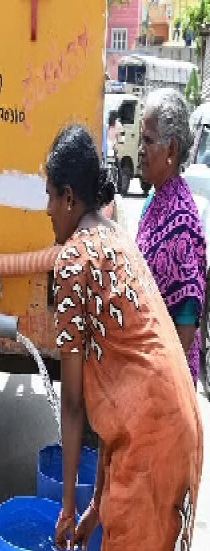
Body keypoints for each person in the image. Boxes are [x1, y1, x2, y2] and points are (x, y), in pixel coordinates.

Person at [46, 125, 202, 551]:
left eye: (47, 197)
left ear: (69, 193)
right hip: (168, 430)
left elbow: (76, 404)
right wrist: (91, 507)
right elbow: (125, 383)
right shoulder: (113, 239)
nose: (45, 211)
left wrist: (61, 504)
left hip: (155, 444)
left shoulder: (77, 260)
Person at [137, 88, 207, 385]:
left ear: (171, 150)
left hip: (166, 389)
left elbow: (186, 327)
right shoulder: (155, 202)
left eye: (148, 140)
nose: (140, 149)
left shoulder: (181, 223)